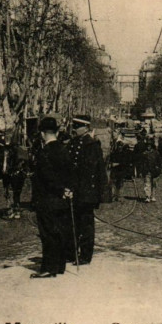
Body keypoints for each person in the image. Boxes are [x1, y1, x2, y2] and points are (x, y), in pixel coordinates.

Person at [30, 116, 74, 278]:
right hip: (62, 200)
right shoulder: (64, 150)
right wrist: (67, 190)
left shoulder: (44, 152)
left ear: (42, 134)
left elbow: (47, 178)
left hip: (47, 199)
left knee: (48, 234)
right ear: (56, 132)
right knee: (60, 232)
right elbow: (71, 173)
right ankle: (60, 266)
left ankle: (49, 268)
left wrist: (59, 189)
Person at [67, 114, 108, 265]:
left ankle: (85, 255)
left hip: (86, 192)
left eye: (77, 127)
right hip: (74, 191)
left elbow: (98, 170)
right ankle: (72, 253)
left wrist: (100, 193)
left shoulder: (92, 145)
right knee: (73, 223)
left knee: (86, 225)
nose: (74, 129)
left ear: (85, 127)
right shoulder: (72, 143)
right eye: (74, 126)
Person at [136, 136, 162, 203]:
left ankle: (153, 196)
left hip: (155, 171)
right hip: (147, 170)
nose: (148, 147)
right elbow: (141, 163)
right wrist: (140, 171)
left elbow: (159, 162)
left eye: (150, 146)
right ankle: (147, 196)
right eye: (147, 146)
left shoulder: (156, 153)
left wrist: (159, 169)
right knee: (147, 184)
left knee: (154, 184)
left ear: (152, 146)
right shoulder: (144, 154)